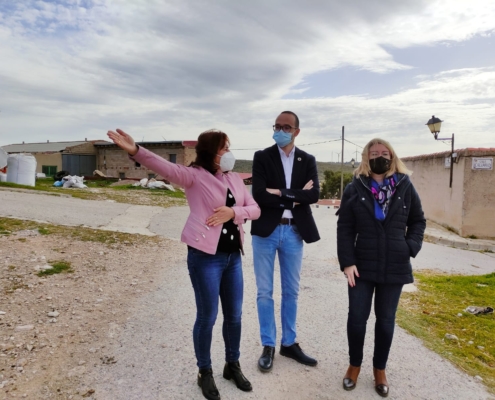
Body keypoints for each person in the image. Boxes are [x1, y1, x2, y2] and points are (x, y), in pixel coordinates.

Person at [107, 128, 260, 400]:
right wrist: (135, 151)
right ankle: (205, 371)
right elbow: (163, 167)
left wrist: (233, 212)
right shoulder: (194, 177)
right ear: (210, 151)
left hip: (233, 257)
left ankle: (232, 365)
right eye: (224, 148)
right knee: (207, 316)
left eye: (229, 147)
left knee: (234, 316)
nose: (228, 153)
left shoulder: (236, 179)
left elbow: (255, 209)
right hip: (205, 257)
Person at [336, 138, 426, 398]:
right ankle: (354, 365)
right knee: (357, 318)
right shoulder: (355, 187)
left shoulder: (405, 185)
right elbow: (345, 227)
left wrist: (409, 246)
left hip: (395, 266)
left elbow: (418, 220)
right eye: (374, 153)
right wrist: (347, 262)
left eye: (384, 153)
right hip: (361, 265)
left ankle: (379, 370)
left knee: (386, 322)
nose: (380, 157)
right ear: (366, 157)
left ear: (392, 156)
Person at [250, 111, 320, 373]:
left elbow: (313, 195)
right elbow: (258, 194)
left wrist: (279, 192)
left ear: (297, 131)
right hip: (266, 232)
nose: (281, 130)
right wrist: (294, 197)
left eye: (286, 127)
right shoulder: (262, 156)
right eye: (277, 126)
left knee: (291, 290)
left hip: (294, 232)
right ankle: (268, 344)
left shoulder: (307, 159)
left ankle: (288, 343)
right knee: (264, 291)